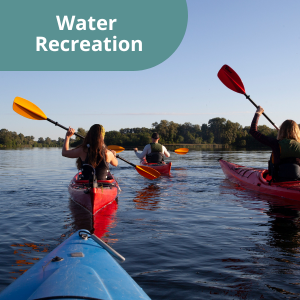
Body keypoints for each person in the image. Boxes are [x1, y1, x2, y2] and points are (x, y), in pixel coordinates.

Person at [250, 106, 300, 181]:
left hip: (279, 180)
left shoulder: (275, 143)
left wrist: (258, 113)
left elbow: (253, 131)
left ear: (281, 131)